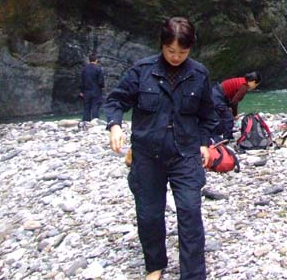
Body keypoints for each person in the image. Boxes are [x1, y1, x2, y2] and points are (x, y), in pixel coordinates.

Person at [103, 17, 217, 280]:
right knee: (149, 213)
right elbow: (115, 101)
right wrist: (115, 126)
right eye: (171, 51)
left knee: (190, 212)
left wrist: (204, 142)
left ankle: (193, 274)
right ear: (162, 45)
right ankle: (155, 266)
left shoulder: (199, 74)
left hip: (185, 153)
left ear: (191, 49)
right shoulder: (142, 71)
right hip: (147, 155)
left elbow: (208, 115)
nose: (176, 57)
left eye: (183, 52)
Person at [212, 71, 262, 142]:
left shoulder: (242, 80)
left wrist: (230, 108)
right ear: (253, 82)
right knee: (229, 118)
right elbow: (234, 102)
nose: (254, 87)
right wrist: (234, 114)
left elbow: (233, 98)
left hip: (215, 93)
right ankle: (227, 138)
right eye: (256, 85)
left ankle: (217, 134)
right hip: (217, 97)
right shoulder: (244, 86)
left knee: (221, 116)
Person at [79, 53, 104, 127]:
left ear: (89, 60)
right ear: (96, 60)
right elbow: (101, 82)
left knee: (87, 107)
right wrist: (102, 87)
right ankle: (95, 122)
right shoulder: (98, 69)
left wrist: (81, 91)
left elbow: (82, 81)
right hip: (96, 91)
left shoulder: (84, 69)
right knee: (95, 106)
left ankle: (86, 122)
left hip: (86, 91)